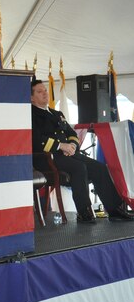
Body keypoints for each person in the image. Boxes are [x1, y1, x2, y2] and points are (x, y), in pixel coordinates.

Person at [31, 79, 134, 223]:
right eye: (40, 92)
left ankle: (114, 210)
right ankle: (84, 212)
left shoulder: (57, 113)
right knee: (79, 168)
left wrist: (72, 145)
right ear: (31, 97)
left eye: (45, 90)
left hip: (68, 154)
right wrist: (61, 146)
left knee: (99, 168)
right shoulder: (30, 115)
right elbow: (35, 140)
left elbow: (71, 133)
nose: (45, 94)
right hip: (48, 158)